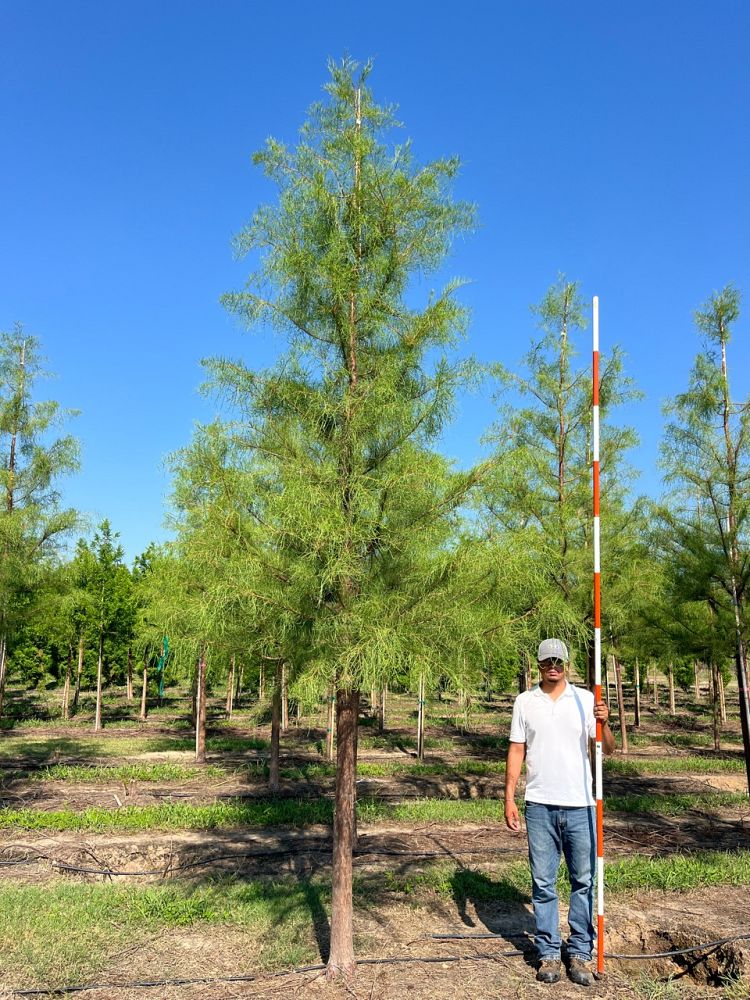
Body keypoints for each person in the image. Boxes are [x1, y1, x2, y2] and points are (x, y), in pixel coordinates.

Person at [504, 638, 615, 986]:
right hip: (539, 805)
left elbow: (605, 749)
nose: (552, 665)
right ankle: (549, 952)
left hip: (581, 804)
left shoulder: (585, 701)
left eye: (558, 660)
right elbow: (517, 750)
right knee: (543, 882)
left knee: (583, 881)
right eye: (546, 660)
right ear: (537, 664)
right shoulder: (525, 703)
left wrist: (605, 722)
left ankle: (580, 952)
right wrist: (509, 796)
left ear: (566, 664)